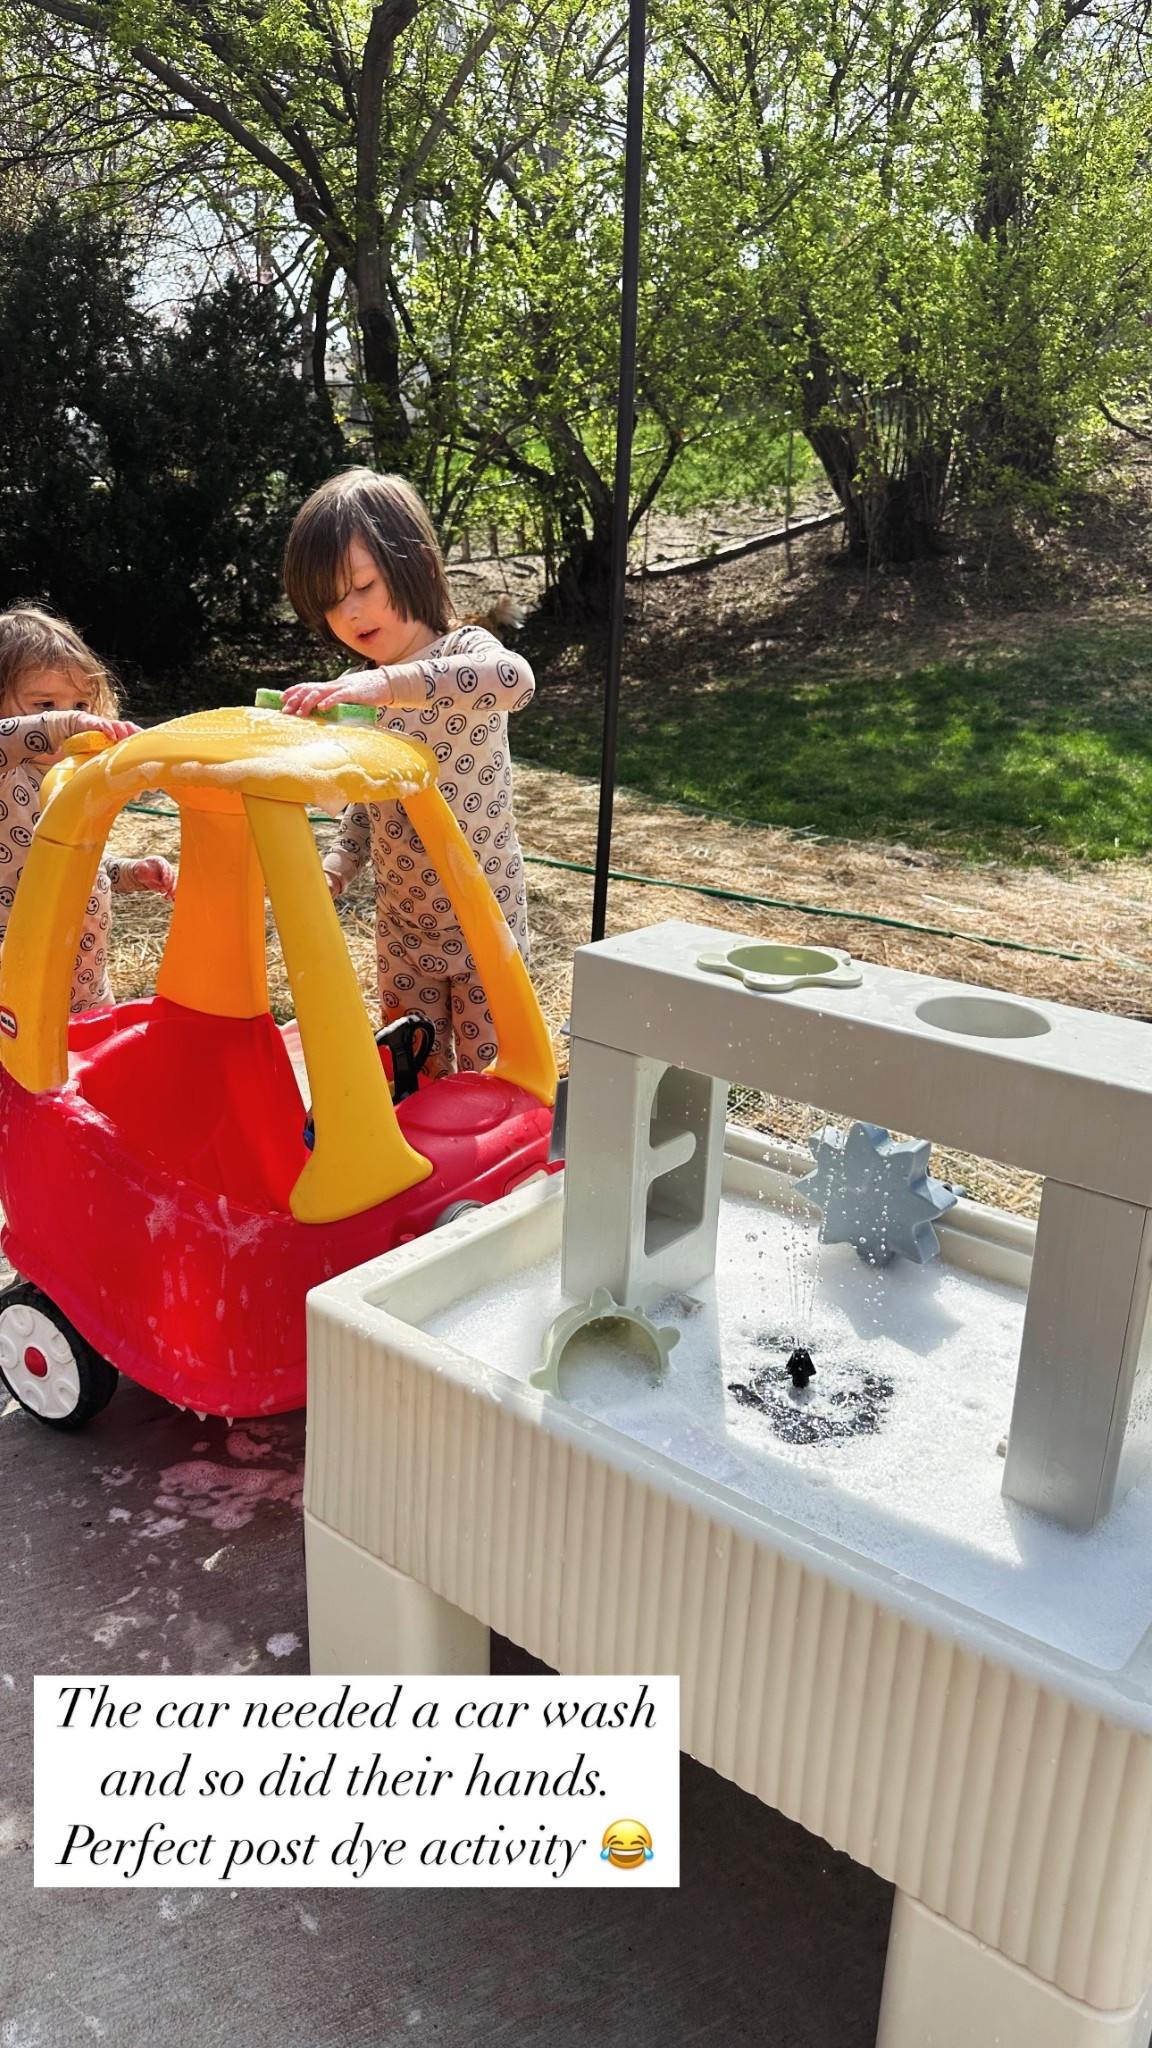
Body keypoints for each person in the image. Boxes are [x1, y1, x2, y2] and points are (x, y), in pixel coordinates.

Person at [280, 468, 535, 1076]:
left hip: (484, 923)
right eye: (329, 605)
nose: (349, 612)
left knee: (492, 1078)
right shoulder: (364, 697)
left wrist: (385, 684)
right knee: (413, 1071)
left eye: (362, 585)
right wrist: (340, 863)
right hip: (403, 928)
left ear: (417, 564)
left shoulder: (462, 652)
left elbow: (516, 681)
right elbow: (370, 803)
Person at [0, 606, 175, 1012]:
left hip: (86, 987)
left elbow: (76, 860)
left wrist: (128, 872)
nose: (73, 715)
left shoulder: (68, 781)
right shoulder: (8, 776)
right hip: (14, 991)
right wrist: (61, 725)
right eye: (45, 704)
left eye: (82, 703)